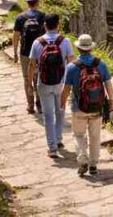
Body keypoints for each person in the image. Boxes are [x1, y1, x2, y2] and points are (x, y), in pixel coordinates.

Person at [61, 34, 113, 177]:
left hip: (78, 108)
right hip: (97, 107)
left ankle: (83, 159)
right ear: (91, 48)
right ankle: (93, 165)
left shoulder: (72, 67)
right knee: (95, 137)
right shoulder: (101, 64)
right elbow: (108, 85)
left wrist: (61, 104)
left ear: (78, 48)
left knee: (78, 135)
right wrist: (111, 103)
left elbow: (66, 89)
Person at [28, 14, 76, 158]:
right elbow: (72, 61)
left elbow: (32, 64)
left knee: (48, 116)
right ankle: (59, 139)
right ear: (58, 25)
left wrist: (30, 83)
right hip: (60, 82)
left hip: (43, 83)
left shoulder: (38, 42)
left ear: (45, 25)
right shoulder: (65, 41)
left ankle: (52, 147)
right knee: (60, 111)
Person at [13, 0, 45, 114]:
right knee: (39, 79)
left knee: (27, 79)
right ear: (37, 3)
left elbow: (16, 36)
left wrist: (15, 52)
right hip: (40, 53)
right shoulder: (42, 17)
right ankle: (40, 104)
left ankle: (30, 105)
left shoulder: (20, 18)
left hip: (25, 53)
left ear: (27, 3)